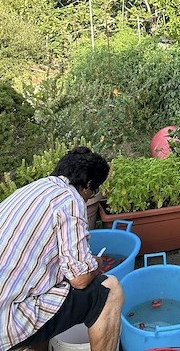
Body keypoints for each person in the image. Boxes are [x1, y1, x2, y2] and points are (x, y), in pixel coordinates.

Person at [0, 147, 123, 351]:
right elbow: (81, 279)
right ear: (89, 185)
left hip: (8, 301)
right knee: (110, 290)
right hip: (8, 319)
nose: (89, 197)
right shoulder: (69, 198)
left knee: (50, 289)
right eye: (93, 192)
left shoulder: (31, 189)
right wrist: (96, 263)